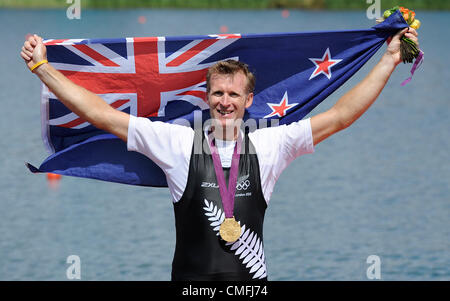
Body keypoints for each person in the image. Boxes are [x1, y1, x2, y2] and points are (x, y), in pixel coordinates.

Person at [21, 28, 419, 281]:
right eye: (217, 93)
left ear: (248, 100)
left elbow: (341, 116)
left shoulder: (270, 143)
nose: (224, 102)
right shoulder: (175, 144)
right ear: (206, 97)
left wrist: (387, 60)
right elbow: (102, 115)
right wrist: (43, 68)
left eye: (233, 94)